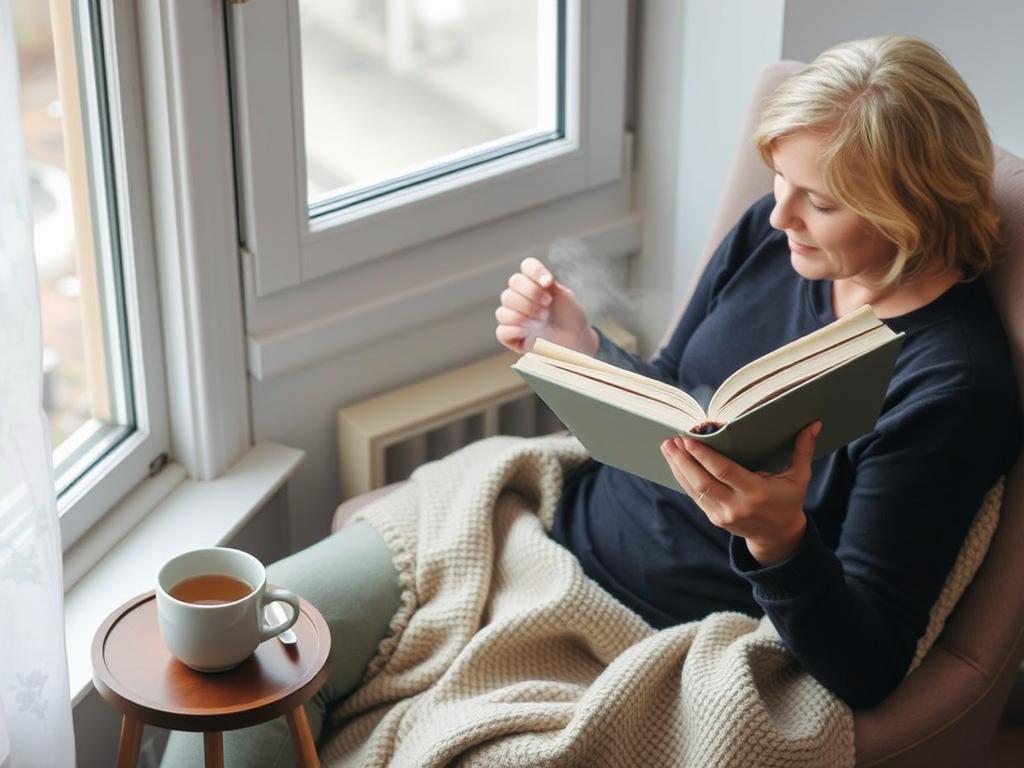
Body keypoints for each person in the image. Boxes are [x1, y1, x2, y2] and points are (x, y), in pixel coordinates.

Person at [161, 35, 1020, 766]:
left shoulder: (951, 383)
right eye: (780, 180)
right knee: (237, 657)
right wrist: (585, 352)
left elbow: (866, 665)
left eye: (821, 201)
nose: (780, 210)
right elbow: (680, 393)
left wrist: (779, 535)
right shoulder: (773, 239)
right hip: (532, 525)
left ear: (908, 208)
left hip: (659, 634)